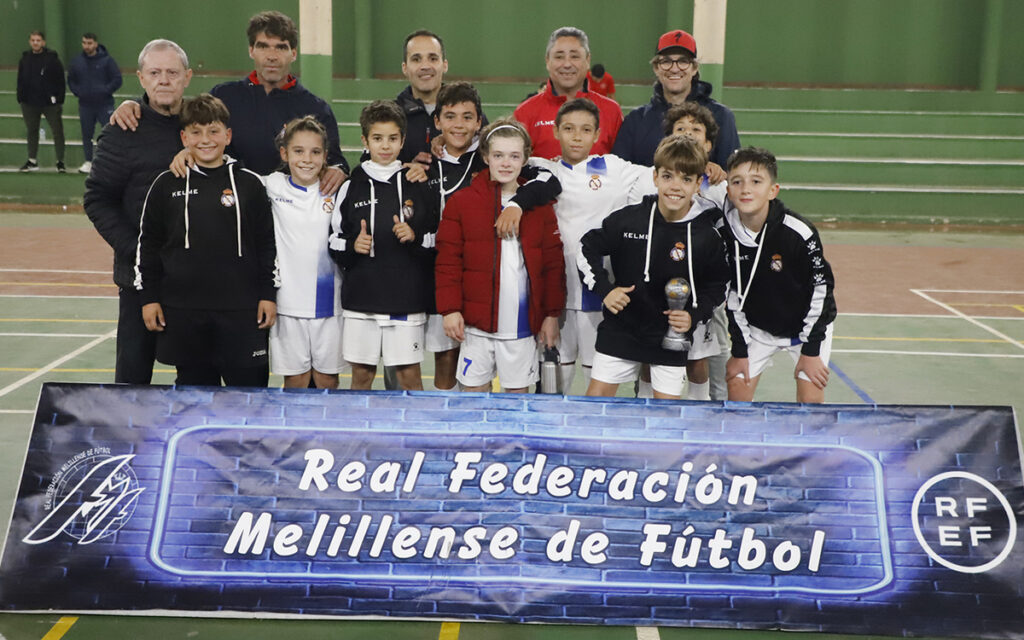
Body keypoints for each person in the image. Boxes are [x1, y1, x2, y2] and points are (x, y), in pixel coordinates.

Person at [110, 11, 348, 193]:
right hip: (231, 210)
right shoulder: (224, 96)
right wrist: (135, 104)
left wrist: (338, 170)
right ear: (251, 50)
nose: (272, 55)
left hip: (290, 217)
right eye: (263, 46)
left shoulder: (315, 109)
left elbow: (335, 160)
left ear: (293, 53)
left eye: (281, 47)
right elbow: (179, 117)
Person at [135, 94, 278, 387]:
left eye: (213, 131)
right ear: (184, 137)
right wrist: (149, 298)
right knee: (195, 396)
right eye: (196, 132)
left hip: (242, 311)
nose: (206, 140)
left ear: (228, 135)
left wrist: (268, 294)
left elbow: (267, 244)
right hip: (185, 312)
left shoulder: (250, 184)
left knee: (249, 396)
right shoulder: (165, 184)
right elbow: (148, 246)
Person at [579, 136, 729, 400]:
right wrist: (605, 289)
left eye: (686, 179)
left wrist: (694, 316)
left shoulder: (706, 234)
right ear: (655, 177)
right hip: (621, 329)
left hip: (670, 338)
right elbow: (586, 247)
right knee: (594, 407)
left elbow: (718, 285)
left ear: (697, 184)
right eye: (668, 176)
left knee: (665, 420)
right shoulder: (629, 220)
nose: (675, 186)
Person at [83, 38, 194, 384]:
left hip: (193, 279)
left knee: (195, 376)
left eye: (172, 72)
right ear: (141, 78)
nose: (164, 80)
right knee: (132, 380)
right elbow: (97, 199)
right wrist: (138, 249)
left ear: (186, 78)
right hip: (138, 279)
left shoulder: (202, 125)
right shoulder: (122, 130)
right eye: (155, 72)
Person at [526, 98, 655, 393]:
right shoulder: (542, 171)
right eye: (569, 128)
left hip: (600, 293)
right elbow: (500, 151)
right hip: (554, 295)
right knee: (552, 382)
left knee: (597, 380)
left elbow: (666, 174)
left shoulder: (616, 169)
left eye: (585, 130)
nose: (576, 136)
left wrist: (707, 168)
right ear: (555, 131)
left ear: (597, 135)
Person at [435, 119, 565, 393]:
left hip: (520, 329)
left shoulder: (539, 207)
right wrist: (450, 309)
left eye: (514, 156)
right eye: (498, 155)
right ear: (485, 157)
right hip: (475, 327)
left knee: (517, 405)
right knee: (472, 401)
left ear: (526, 159)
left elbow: (553, 266)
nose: (506, 163)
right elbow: (448, 261)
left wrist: (551, 315)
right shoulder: (462, 202)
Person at [328, 100, 438, 391]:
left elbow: (435, 240)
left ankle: (413, 438)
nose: (385, 146)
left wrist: (414, 237)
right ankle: (356, 437)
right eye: (377, 138)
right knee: (362, 377)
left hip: (406, 298)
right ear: (365, 140)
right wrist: (354, 246)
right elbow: (334, 241)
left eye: (392, 138)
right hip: (362, 300)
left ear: (402, 140)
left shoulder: (418, 183)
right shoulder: (351, 186)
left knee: (409, 377)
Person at [720, 147, 836, 404]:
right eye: (737, 182)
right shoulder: (724, 234)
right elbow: (732, 296)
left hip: (806, 328)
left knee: (811, 401)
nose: (745, 189)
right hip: (759, 329)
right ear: (728, 190)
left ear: (773, 190)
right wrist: (739, 350)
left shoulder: (799, 232)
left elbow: (822, 291)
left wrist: (811, 349)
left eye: (756, 182)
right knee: (737, 392)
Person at [265, 116, 346, 389]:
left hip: (330, 303)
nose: (306, 159)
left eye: (315, 152)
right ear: (284, 153)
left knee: (327, 379)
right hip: (287, 304)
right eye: (298, 151)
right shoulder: (271, 185)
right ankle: (294, 434)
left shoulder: (338, 190)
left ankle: (327, 432)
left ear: (326, 156)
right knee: (295, 380)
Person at [612, 29, 740, 170]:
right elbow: (619, 173)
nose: (674, 69)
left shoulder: (721, 116)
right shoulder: (636, 121)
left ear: (694, 68)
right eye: (666, 61)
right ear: (656, 68)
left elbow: (733, 174)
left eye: (683, 61)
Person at [514, 26, 622, 160]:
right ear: (548, 61)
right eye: (559, 57)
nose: (567, 64)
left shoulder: (612, 111)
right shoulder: (525, 112)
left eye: (575, 56)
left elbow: (620, 169)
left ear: (588, 60)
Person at [67, 32, 122, 174]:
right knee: (87, 134)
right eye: (84, 43)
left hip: (105, 105)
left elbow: (117, 79)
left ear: (96, 44)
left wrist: (105, 90)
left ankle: (109, 162)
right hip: (85, 105)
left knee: (108, 134)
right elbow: (71, 80)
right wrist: (78, 92)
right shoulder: (77, 61)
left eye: (90, 43)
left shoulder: (107, 61)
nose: (87, 46)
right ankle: (88, 161)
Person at [17, 31, 66, 173]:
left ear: (43, 42)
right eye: (33, 40)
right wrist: (20, 97)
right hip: (29, 103)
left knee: (57, 131)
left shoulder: (52, 59)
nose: (35, 42)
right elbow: (20, 79)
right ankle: (32, 161)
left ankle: (60, 162)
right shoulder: (24, 59)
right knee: (32, 131)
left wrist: (58, 99)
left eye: (38, 40)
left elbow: (60, 80)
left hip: (50, 103)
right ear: (30, 42)